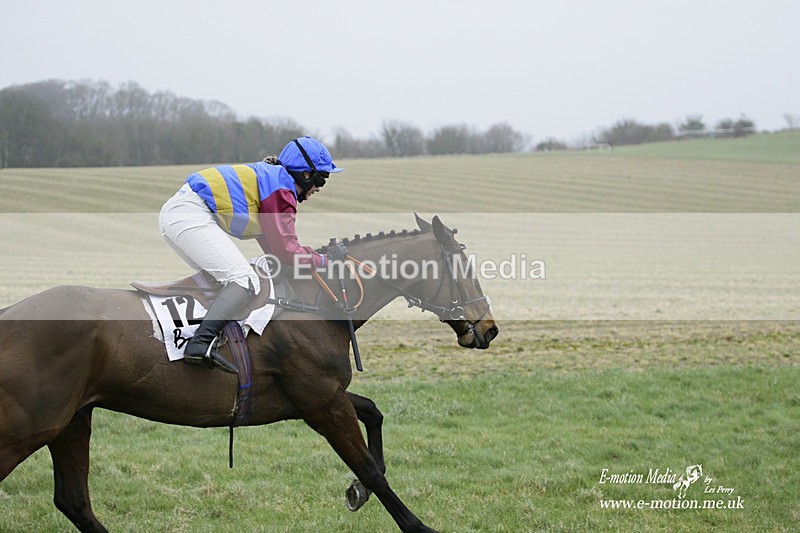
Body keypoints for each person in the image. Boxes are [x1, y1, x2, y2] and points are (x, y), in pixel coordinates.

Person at [159, 136, 343, 373]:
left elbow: (277, 249)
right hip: (190, 215)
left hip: (180, 213)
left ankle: (208, 339)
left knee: (226, 282)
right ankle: (199, 344)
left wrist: (309, 260)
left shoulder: (271, 180)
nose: (318, 188)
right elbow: (288, 252)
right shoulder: (281, 190)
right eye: (321, 179)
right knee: (244, 280)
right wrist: (325, 261)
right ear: (306, 175)